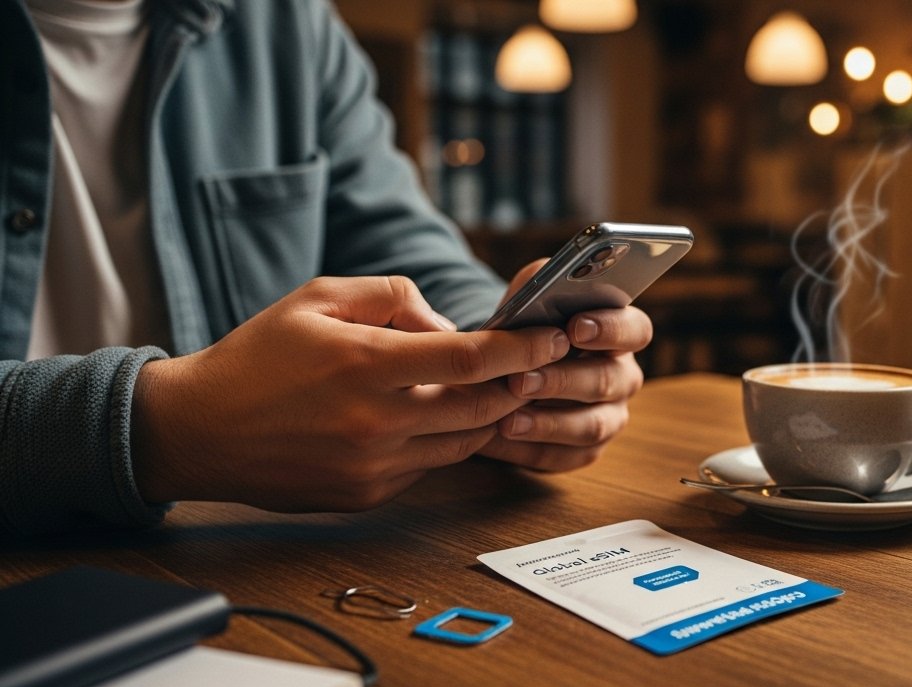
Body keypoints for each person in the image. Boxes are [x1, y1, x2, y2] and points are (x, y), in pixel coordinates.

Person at [0, 0, 652, 534]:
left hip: (242, 565)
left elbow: (410, 250)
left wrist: (512, 355)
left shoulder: (289, 22)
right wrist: (161, 432)